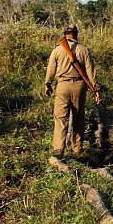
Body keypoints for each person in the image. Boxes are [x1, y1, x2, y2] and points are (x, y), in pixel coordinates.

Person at [44, 24, 103, 158]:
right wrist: (96, 90)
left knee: (60, 118)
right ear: (76, 34)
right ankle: (77, 148)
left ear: (65, 34)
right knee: (78, 118)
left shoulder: (57, 50)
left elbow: (51, 70)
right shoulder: (84, 50)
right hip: (79, 86)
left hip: (62, 85)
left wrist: (48, 84)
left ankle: (58, 149)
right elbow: (90, 72)